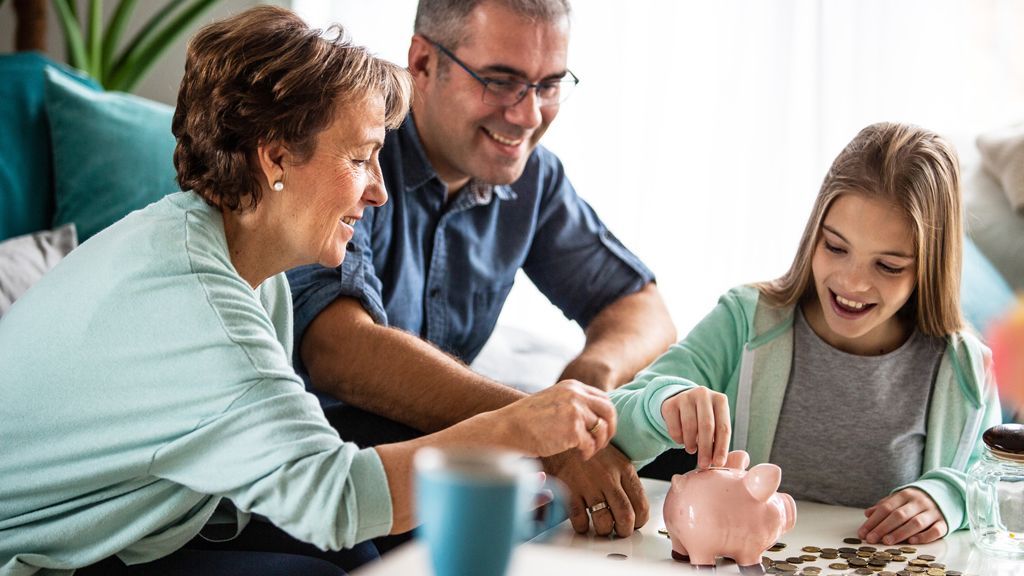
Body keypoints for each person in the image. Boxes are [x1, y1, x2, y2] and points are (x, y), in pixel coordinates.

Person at [0, 7, 620, 576]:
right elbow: (336, 500)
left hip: (157, 524)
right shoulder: (200, 302)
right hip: (45, 557)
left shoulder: (231, 256)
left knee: (361, 548)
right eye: (360, 159)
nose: (378, 191)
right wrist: (516, 427)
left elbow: (299, 476)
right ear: (274, 160)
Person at [286, 0, 677, 538]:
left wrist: (586, 383)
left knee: (670, 449)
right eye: (500, 81)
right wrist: (536, 429)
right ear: (422, 64)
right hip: (330, 457)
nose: (528, 115)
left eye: (549, 85)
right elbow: (336, 348)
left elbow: (642, 309)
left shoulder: (532, 178)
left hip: (452, 455)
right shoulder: (353, 149)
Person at [609, 122, 1003, 545]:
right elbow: (612, 421)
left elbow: (999, 488)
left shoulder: (965, 367)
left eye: (887, 266)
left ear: (929, 266)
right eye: (835, 247)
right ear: (814, 233)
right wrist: (663, 402)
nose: (852, 283)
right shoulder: (744, 321)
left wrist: (949, 497)